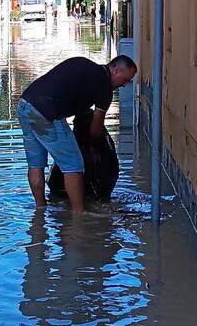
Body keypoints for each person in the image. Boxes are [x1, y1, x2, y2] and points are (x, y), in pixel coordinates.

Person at [17, 55, 137, 214]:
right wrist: (96, 148)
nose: (125, 84)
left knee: (36, 164)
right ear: (115, 70)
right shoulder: (104, 87)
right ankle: (79, 214)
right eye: (126, 79)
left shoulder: (83, 64)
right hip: (47, 112)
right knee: (73, 164)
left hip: (25, 104)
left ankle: (40, 209)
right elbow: (96, 129)